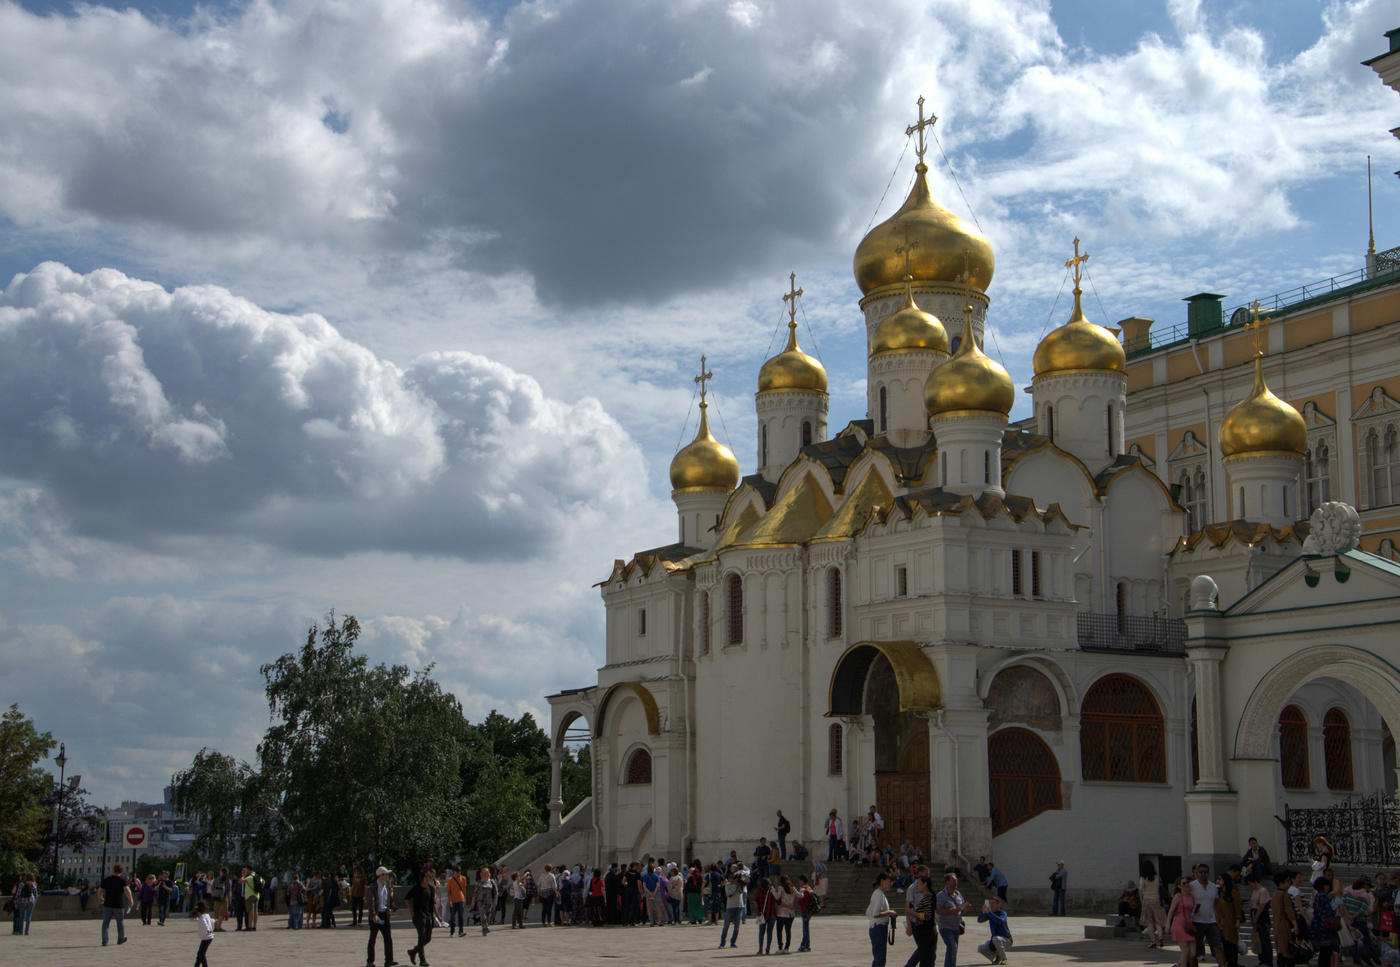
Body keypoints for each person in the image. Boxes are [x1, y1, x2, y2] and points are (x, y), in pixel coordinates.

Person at [1189, 864, 1225, 967]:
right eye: (1201, 872)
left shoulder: (1213, 887)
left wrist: (1221, 918)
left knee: (1217, 946)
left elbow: (1216, 903)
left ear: (1209, 873)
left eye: (1205, 872)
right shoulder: (1192, 886)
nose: (1203, 874)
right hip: (1196, 921)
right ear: (1197, 873)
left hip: (1211, 921)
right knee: (1195, 950)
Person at [866, 872, 899, 967]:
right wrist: (890, 912)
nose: (891, 884)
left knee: (878, 957)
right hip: (879, 927)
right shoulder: (878, 894)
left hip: (879, 927)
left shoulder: (879, 894)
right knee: (880, 958)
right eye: (889, 881)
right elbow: (875, 913)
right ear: (882, 881)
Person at [367, 866, 398, 967]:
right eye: (386, 874)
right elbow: (371, 902)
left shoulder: (387, 886)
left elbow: (390, 900)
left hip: (385, 915)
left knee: (388, 938)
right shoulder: (373, 887)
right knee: (373, 939)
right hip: (376, 916)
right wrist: (373, 915)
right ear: (380, 876)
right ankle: (370, 961)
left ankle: (389, 960)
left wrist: (395, 909)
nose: (388, 876)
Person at [406, 865, 436, 967]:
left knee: (427, 938)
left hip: (428, 916)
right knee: (421, 937)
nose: (428, 879)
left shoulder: (431, 889)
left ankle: (413, 951)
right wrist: (411, 911)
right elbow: (407, 898)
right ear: (422, 878)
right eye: (426, 877)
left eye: (429, 877)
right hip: (418, 916)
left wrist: (438, 916)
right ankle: (422, 960)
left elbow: (432, 904)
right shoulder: (416, 888)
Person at [907, 874, 938, 967]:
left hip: (925, 932)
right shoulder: (928, 897)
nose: (917, 886)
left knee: (925, 959)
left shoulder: (928, 898)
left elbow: (927, 916)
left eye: (918, 883)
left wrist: (913, 913)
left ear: (925, 884)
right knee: (926, 958)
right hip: (924, 932)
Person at [99, 863, 133, 947]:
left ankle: (104, 941)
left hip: (108, 904)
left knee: (105, 923)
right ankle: (120, 939)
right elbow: (127, 890)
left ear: (113, 870)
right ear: (121, 871)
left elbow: (99, 890)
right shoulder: (122, 880)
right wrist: (131, 900)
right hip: (118, 904)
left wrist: (100, 897)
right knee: (120, 922)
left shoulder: (107, 879)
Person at [1311, 876, 1342, 967]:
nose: (1328, 887)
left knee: (1327, 952)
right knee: (1325, 951)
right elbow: (1330, 895)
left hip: (1325, 926)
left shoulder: (1320, 897)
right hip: (1322, 927)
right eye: (1326, 885)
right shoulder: (1321, 896)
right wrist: (1338, 888)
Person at [1216, 868, 1243, 967]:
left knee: (1231, 944)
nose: (1219, 881)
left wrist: (1237, 921)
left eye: (1221, 879)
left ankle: (1233, 963)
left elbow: (1237, 908)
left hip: (1231, 921)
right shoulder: (1220, 893)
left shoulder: (1233, 892)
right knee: (1225, 944)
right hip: (1222, 923)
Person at [1168, 876, 1197, 967]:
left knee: (1192, 953)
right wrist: (1168, 924)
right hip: (1179, 924)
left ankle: (1178, 965)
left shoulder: (1191, 897)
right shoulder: (1178, 896)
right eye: (1184, 883)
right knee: (1185, 950)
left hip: (1188, 924)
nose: (1186, 885)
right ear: (1179, 886)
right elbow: (1171, 910)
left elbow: (1192, 910)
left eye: (1187, 882)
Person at [977, 896, 1013, 965]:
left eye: (993, 903)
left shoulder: (1002, 913)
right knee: (981, 947)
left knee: (996, 938)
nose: (991, 905)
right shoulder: (990, 914)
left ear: (998, 905)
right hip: (995, 941)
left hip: (1007, 940)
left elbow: (1000, 921)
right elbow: (979, 920)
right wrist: (984, 913)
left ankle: (1004, 959)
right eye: (990, 903)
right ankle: (998, 956)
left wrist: (990, 913)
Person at [1140, 859, 1168, 949]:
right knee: (1158, 921)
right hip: (1156, 900)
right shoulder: (1157, 878)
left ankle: (1153, 941)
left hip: (1147, 900)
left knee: (1149, 922)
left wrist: (1141, 900)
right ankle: (1160, 937)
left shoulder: (1143, 878)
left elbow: (1140, 889)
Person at [720, 864, 748, 949]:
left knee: (737, 927)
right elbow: (729, 894)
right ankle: (722, 942)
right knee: (726, 926)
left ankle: (733, 942)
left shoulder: (740, 885)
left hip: (739, 906)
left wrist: (742, 878)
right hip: (730, 907)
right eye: (731, 877)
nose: (733, 879)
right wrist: (735, 885)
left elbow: (746, 883)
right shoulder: (728, 885)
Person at [774, 874, 796, 952]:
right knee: (788, 931)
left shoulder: (781, 888)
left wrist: (773, 890)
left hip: (782, 913)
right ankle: (787, 947)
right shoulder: (792, 888)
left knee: (779, 930)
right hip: (791, 913)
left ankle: (780, 947)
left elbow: (777, 897)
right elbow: (800, 895)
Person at [10, 871, 36, 936]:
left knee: (21, 917)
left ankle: (21, 931)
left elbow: (18, 895)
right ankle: (26, 931)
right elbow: (36, 894)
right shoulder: (33, 884)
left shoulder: (22, 884)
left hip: (22, 901)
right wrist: (34, 901)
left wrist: (16, 903)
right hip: (31, 901)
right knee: (28, 916)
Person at [191, 900, 214, 967]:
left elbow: (205, 924)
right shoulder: (207, 915)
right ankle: (196, 965)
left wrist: (208, 930)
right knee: (200, 953)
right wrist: (215, 921)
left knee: (201, 954)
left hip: (206, 937)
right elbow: (210, 921)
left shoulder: (202, 917)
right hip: (208, 937)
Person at [796, 874, 815, 953]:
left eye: (800, 880)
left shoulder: (803, 890)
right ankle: (803, 943)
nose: (799, 882)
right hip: (809, 910)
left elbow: (800, 901)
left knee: (805, 928)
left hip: (805, 910)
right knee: (805, 928)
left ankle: (806, 944)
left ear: (802, 881)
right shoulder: (809, 888)